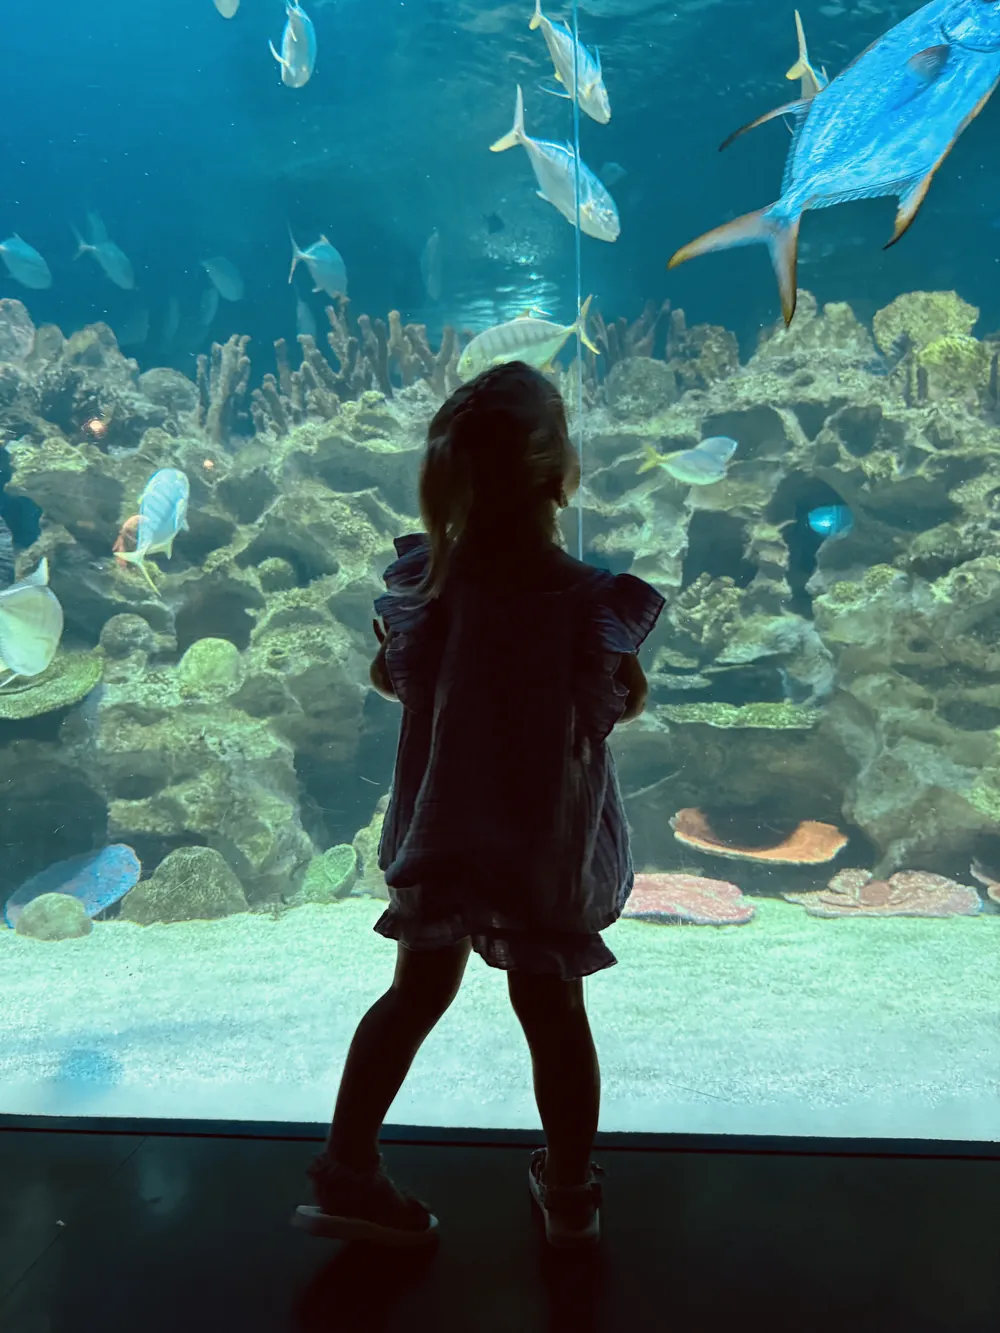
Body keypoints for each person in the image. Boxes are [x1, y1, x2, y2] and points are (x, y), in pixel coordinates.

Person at [292, 361, 664, 1249]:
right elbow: (621, 700)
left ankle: (347, 1168)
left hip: (443, 828)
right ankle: (570, 1191)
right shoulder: (589, 601)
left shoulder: (429, 588)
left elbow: (397, 679)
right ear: (560, 471)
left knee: (415, 992)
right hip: (542, 839)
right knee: (554, 1009)